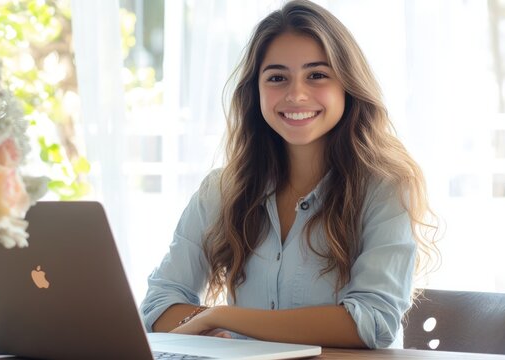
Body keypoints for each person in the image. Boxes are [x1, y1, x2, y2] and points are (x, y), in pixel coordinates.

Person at [139, 0, 438, 349]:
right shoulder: (221, 190)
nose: (296, 94)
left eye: (317, 75)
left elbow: (372, 322)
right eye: (277, 78)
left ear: (347, 85)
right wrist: (213, 330)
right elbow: (159, 303)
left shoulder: (386, 188)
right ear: (256, 91)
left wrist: (223, 317)